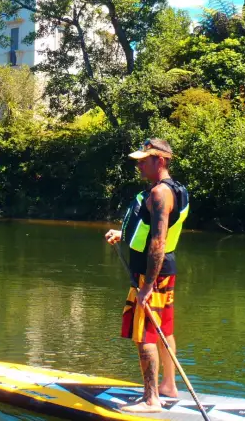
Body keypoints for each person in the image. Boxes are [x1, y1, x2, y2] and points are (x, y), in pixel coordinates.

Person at [105, 137, 189, 413]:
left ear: (160, 161)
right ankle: (168, 386)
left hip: (152, 274)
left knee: (145, 335)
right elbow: (149, 230)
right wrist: (124, 234)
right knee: (164, 329)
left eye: (144, 160)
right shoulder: (174, 189)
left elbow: (158, 242)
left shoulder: (159, 194)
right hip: (167, 270)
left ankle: (151, 399)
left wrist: (147, 286)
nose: (139, 165)